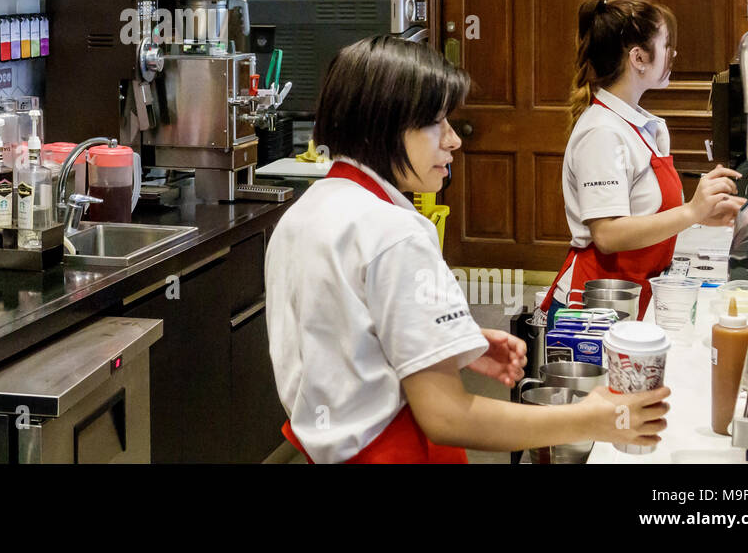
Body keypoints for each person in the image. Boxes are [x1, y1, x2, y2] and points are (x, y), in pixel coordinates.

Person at [265, 36, 669, 464]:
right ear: (383, 125)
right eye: (436, 122)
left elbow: (340, 332)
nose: (453, 140)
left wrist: (452, 341)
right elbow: (448, 417)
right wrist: (591, 418)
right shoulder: (397, 232)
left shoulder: (303, 212)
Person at [541, 0, 744, 320]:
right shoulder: (602, 133)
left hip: (630, 295)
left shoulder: (639, 125)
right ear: (638, 57)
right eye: (666, 45)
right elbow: (608, 235)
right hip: (594, 307)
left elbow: (643, 212)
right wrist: (691, 210)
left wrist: (699, 216)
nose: (673, 54)